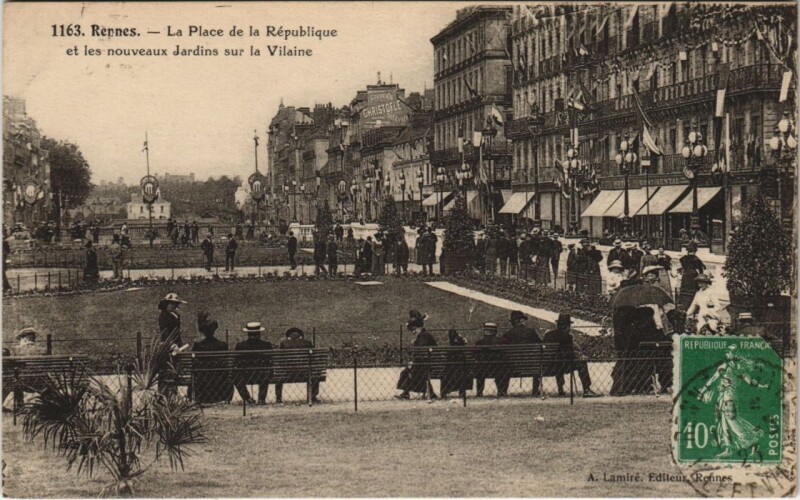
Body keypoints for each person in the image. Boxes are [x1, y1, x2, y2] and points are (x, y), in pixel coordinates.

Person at [543, 314, 601, 397]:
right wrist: (579, 357)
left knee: (557, 362)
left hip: (549, 366)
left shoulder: (548, 335)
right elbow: (570, 355)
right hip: (563, 366)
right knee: (582, 364)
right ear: (567, 326)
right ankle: (586, 389)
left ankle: (560, 389)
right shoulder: (567, 337)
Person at [191, 312, 233, 404]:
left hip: (203, 380)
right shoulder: (222, 345)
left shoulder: (198, 346)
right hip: (219, 379)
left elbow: (193, 361)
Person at [499, 310, 542, 396]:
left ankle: (503, 391)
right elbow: (540, 344)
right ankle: (535, 390)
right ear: (521, 320)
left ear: (513, 322)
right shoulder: (531, 332)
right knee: (537, 362)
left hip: (512, 366)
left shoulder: (508, 334)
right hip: (531, 366)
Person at [395, 315, 438, 400]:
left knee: (408, 372)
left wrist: (413, 362)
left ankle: (406, 393)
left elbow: (421, 353)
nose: (413, 332)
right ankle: (430, 393)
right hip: (430, 364)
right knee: (411, 372)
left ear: (420, 327)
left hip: (425, 365)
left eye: (414, 329)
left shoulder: (423, 337)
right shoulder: (425, 336)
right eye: (412, 330)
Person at [275, 327, 319, 403]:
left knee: (279, 373)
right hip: (304, 372)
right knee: (315, 373)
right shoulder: (307, 342)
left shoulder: (284, 343)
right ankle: (312, 396)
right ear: (300, 335)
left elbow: (280, 358)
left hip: (287, 373)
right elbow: (313, 357)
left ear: (289, 335)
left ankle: (278, 397)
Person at [234, 322, 273, 405]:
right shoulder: (266, 345)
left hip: (245, 375)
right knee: (266, 372)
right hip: (262, 375)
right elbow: (270, 361)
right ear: (259, 333)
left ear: (248, 333)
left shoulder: (240, 346)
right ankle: (261, 399)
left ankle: (247, 398)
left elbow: (236, 362)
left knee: (236, 377)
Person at [441, 329, 471, 399]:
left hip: (450, 372)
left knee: (447, 373)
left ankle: (444, 392)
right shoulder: (461, 346)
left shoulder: (451, 350)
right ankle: (462, 392)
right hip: (461, 370)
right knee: (461, 373)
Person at [474, 322, 503, 397]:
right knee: (503, 367)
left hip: (482, 369)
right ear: (495, 332)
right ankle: (502, 391)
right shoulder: (501, 342)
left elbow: (475, 356)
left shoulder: (479, 343)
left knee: (479, 368)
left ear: (485, 332)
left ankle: (479, 392)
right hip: (498, 369)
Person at [678, 243, 706, 311]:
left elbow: (683, 267)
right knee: (693, 291)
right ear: (695, 251)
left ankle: (684, 305)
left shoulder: (683, 258)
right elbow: (701, 269)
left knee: (685, 290)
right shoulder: (696, 259)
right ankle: (693, 306)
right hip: (693, 276)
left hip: (685, 276)